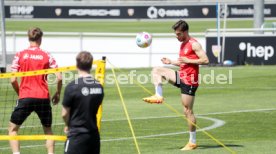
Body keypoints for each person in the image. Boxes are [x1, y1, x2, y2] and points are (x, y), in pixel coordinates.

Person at [143, 20, 209, 151]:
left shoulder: (194, 44)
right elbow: (183, 63)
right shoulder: (183, 44)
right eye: (176, 34)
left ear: (185, 32)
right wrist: (171, 61)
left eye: (179, 34)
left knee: (187, 111)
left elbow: (206, 60)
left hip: (190, 80)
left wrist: (188, 60)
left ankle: (192, 142)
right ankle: (158, 95)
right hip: (182, 75)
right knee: (157, 70)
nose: (177, 36)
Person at [9, 27, 62, 154]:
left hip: (26, 96)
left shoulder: (20, 54)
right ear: (40, 39)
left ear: (28, 38)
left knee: (13, 129)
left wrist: (20, 92)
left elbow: (12, 80)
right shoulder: (46, 55)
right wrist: (58, 93)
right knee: (48, 130)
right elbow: (59, 77)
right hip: (43, 97)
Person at [62, 51, 104, 154]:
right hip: (93, 136)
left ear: (77, 65)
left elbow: (64, 113)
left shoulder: (72, 86)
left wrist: (68, 125)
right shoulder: (99, 86)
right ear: (91, 65)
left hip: (77, 135)